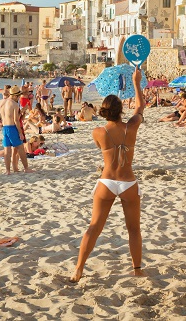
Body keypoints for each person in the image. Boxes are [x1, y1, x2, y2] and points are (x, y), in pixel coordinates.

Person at [70, 66, 146, 283]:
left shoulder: (98, 132)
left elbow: (99, 146)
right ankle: (137, 269)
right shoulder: (131, 127)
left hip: (107, 181)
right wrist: (136, 82)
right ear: (121, 109)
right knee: (133, 229)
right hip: (128, 182)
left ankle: (78, 269)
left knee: (94, 227)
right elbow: (140, 107)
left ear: (103, 111)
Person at [0, 85, 34, 174]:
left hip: (5, 128)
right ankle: (26, 168)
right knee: (20, 148)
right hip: (12, 128)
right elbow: (16, 120)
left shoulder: (1, 102)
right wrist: (20, 132)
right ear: (14, 96)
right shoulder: (14, 104)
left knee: (7, 150)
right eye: (18, 96)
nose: (18, 98)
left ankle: (8, 170)